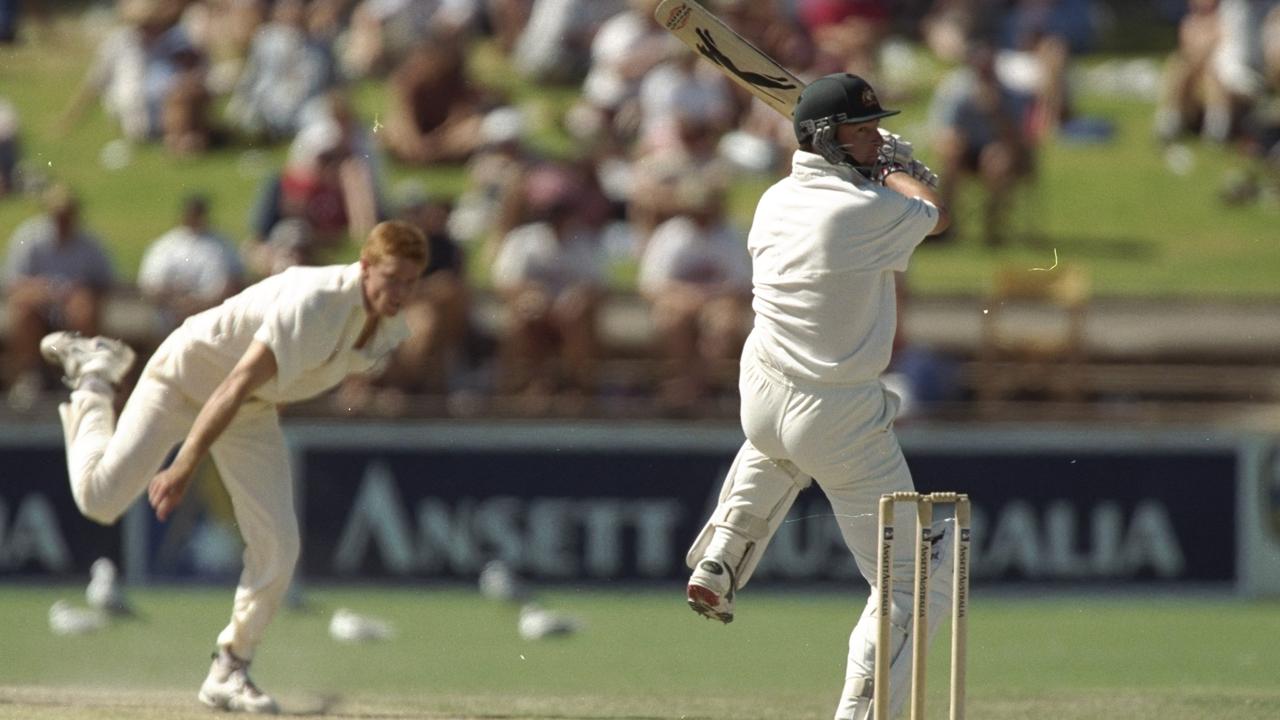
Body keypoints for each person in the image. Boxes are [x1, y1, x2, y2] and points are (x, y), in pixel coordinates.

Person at [39, 220, 428, 714]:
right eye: (392, 278)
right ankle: (94, 377)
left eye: (411, 282)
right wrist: (184, 463)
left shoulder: (384, 326)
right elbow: (235, 382)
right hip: (183, 382)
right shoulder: (315, 301)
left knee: (280, 545)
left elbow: (278, 383)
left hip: (248, 410)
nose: (400, 292)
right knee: (100, 500)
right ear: (366, 266)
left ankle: (230, 666)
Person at [681, 73, 952, 720]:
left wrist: (873, 159)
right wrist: (895, 165)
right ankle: (858, 715)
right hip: (837, 414)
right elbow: (933, 214)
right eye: (860, 130)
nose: (872, 138)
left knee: (778, 449)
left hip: (764, 393)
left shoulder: (774, 199)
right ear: (826, 138)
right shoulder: (858, 212)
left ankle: (722, 555)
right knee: (914, 581)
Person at [4, 184, 115, 409]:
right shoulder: (29, 238)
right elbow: (14, 283)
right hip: (40, 308)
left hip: (72, 311)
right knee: (24, 309)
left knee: (84, 307)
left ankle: (82, 372)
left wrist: (78, 294)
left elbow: (104, 283)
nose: (63, 219)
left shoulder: (89, 244)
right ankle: (30, 376)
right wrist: (45, 291)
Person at [138, 194, 245, 333]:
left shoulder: (223, 243)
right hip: (169, 316)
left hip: (212, 316)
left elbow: (234, 282)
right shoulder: (165, 244)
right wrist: (178, 303)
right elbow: (150, 285)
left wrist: (199, 304)